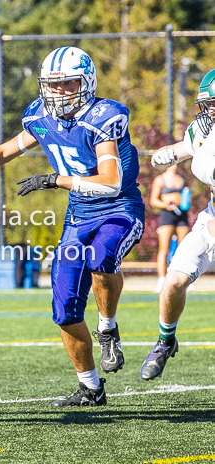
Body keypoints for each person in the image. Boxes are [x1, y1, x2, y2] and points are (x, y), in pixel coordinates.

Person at [0, 46, 145, 407]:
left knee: (101, 256)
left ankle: (108, 327)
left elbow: (110, 181)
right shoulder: (39, 115)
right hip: (79, 215)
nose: (60, 92)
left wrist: (57, 180)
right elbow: (6, 150)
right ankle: (90, 388)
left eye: (68, 84)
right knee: (64, 308)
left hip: (119, 208)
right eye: (53, 85)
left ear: (87, 82)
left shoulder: (103, 116)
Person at [140, 68, 215, 381]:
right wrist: (166, 154)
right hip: (211, 220)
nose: (209, 111)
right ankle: (165, 340)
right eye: (207, 104)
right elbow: (185, 148)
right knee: (172, 283)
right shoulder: (204, 130)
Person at [149, 165, 190, 292]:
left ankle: (184, 280)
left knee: (183, 249)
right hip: (167, 216)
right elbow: (153, 200)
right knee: (164, 249)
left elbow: (186, 195)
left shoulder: (182, 178)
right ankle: (161, 280)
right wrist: (165, 204)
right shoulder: (160, 179)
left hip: (182, 215)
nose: (175, 165)